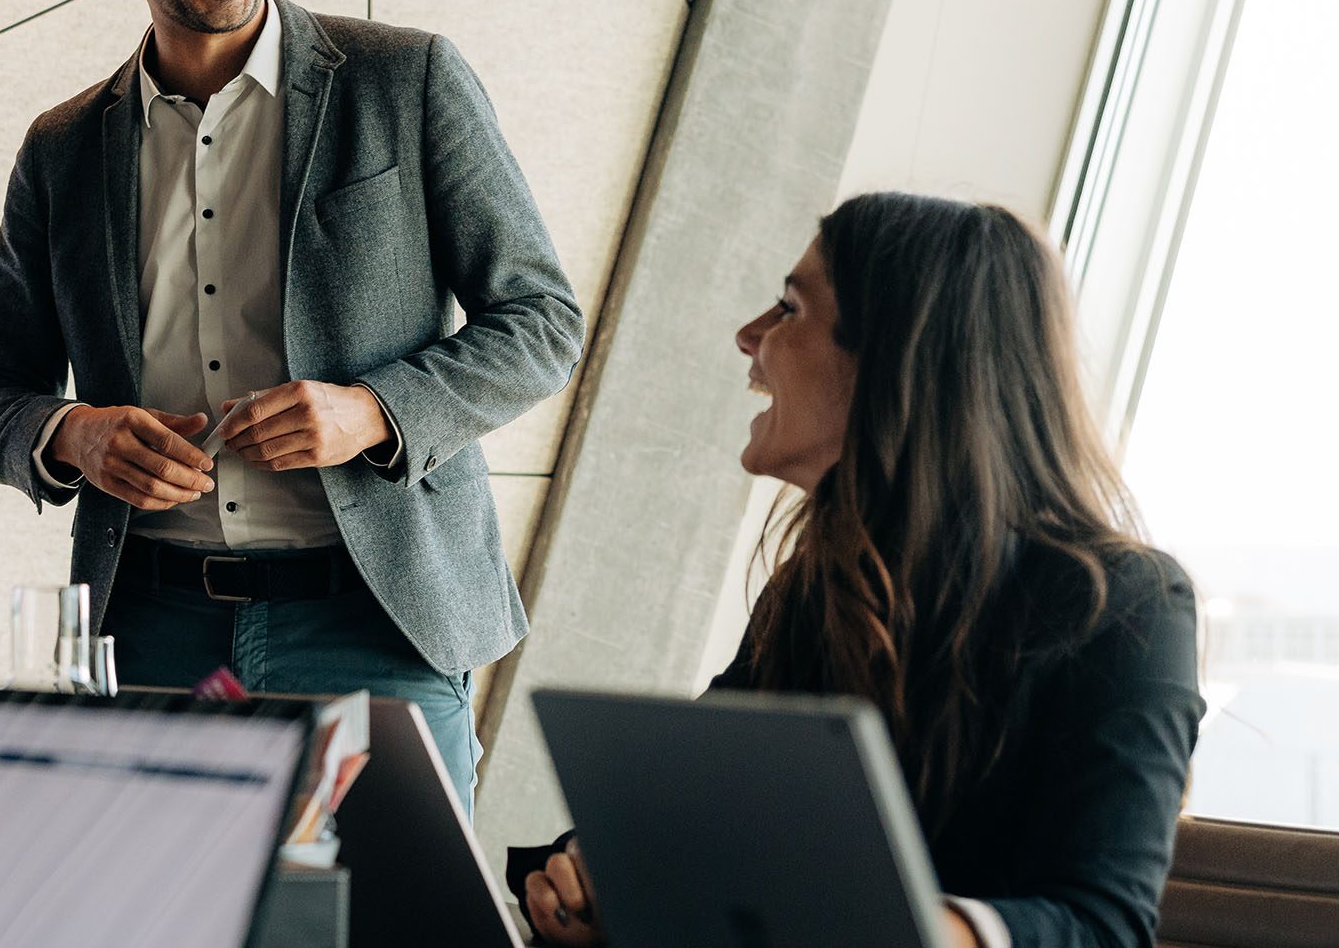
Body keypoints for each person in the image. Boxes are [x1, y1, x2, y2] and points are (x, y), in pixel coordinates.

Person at [0, 0, 585, 797]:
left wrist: (373, 411)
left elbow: (542, 322)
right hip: (148, 629)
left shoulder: (406, 80)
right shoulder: (62, 149)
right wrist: (74, 436)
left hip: (375, 620)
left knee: (402, 896)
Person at [510, 193, 1202, 948]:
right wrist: (597, 879)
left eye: (789, 309)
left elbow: (1105, 927)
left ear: (895, 361)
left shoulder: (1128, 603)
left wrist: (897, 926)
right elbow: (685, 809)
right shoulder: (816, 588)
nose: (748, 336)